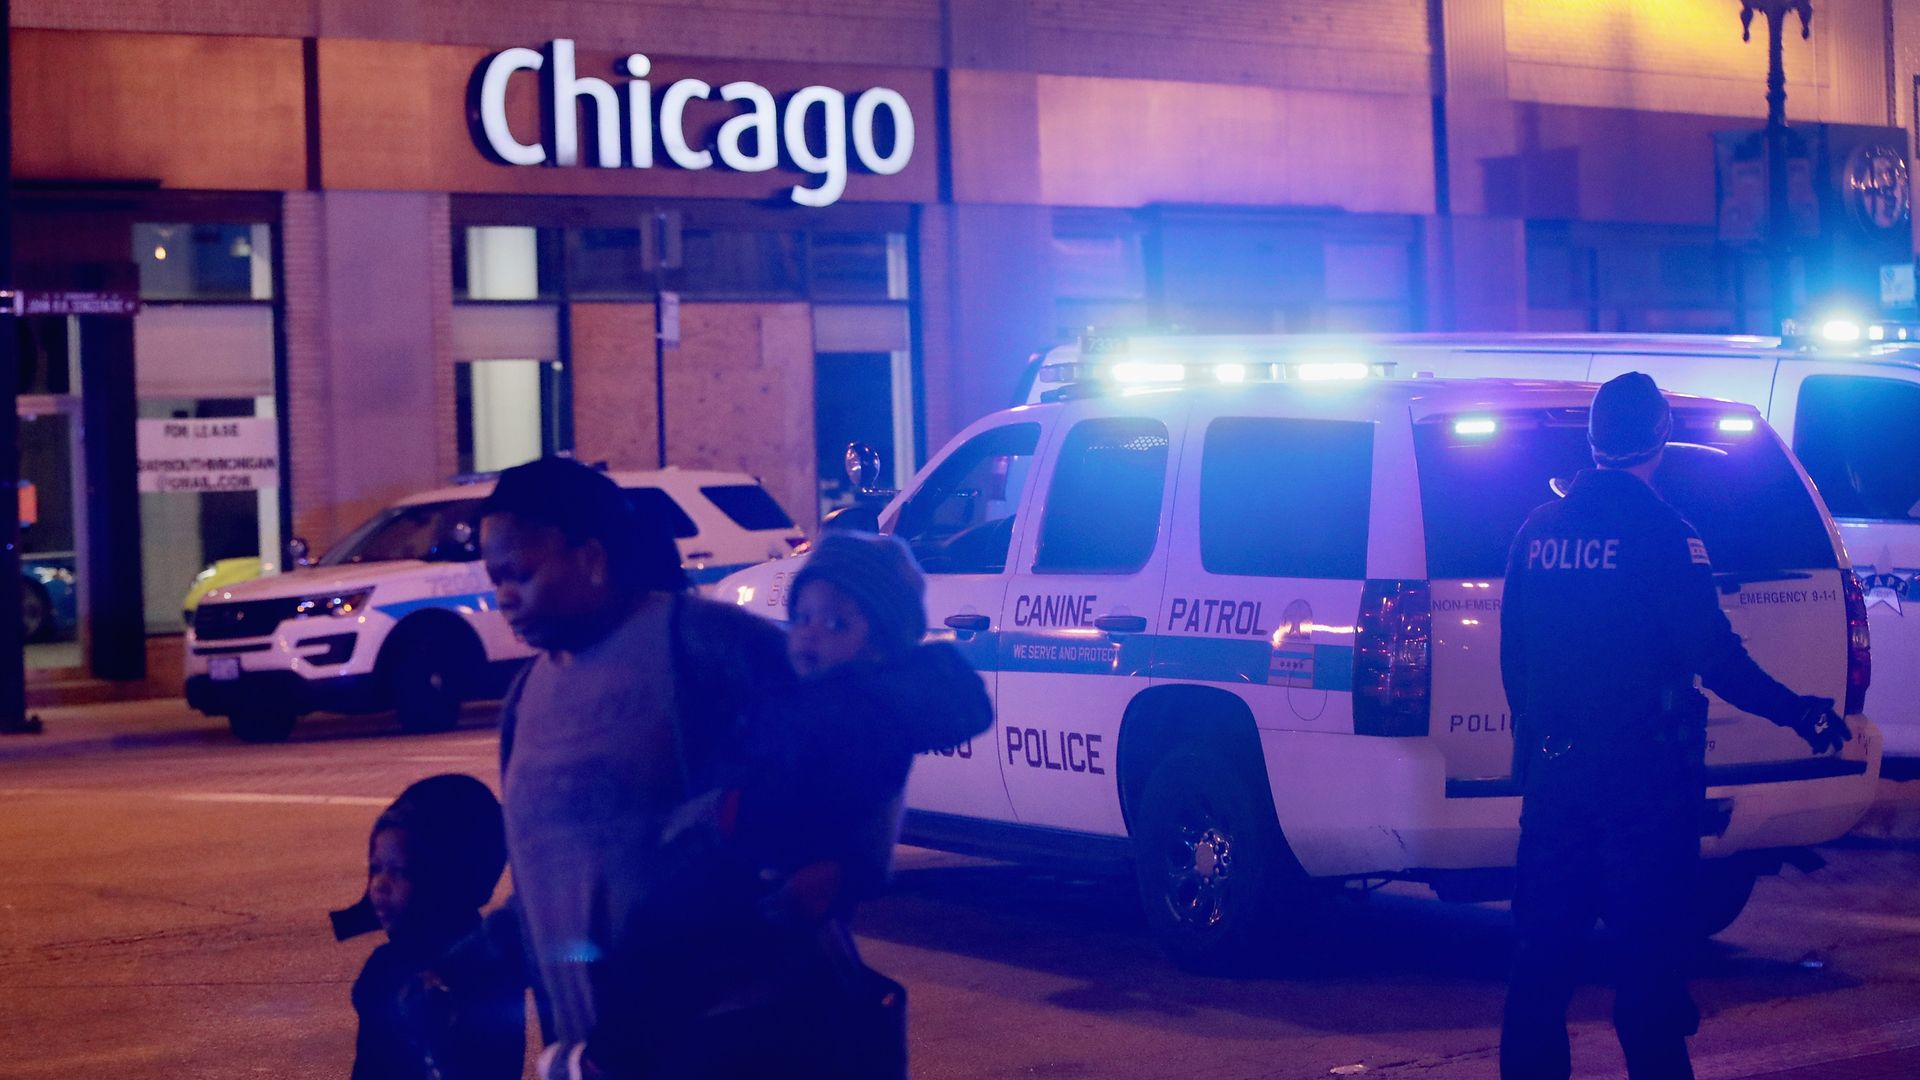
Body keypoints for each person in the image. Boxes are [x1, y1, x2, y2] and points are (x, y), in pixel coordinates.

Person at [1498, 372, 1851, 1080]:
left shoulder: (1538, 532)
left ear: (1593, 439)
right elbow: (1713, 654)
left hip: (1558, 780)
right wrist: (1798, 710)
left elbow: (1516, 659)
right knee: (1648, 976)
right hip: (1643, 787)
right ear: (1660, 438)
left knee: (1540, 972)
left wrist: (1535, 753)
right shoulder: (1665, 533)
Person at [478, 456, 792, 1079]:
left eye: (521, 573)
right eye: (495, 578)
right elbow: (552, 866)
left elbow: (823, 784)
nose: (504, 597)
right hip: (592, 1053)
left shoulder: (709, 646)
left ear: (592, 558)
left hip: (730, 1045)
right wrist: (482, 950)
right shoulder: (524, 698)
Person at [330, 773, 524, 1080]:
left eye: (400, 871)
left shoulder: (471, 970)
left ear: (444, 880)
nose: (380, 885)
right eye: (375, 868)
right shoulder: (387, 964)